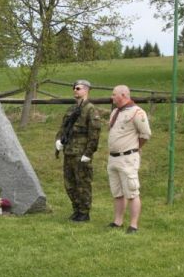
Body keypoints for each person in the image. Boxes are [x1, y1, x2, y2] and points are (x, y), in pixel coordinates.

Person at [107, 85, 152, 234]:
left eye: (114, 95)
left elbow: (145, 134)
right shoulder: (115, 112)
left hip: (127, 159)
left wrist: (135, 147)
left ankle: (133, 225)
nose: (112, 97)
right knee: (117, 192)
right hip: (113, 158)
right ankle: (117, 221)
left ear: (124, 95)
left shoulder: (137, 112)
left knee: (132, 192)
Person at [55, 80, 101, 222]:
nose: (75, 90)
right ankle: (76, 209)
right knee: (69, 183)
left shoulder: (90, 109)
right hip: (69, 151)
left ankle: (84, 212)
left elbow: (95, 133)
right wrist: (58, 140)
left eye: (78, 88)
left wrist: (88, 153)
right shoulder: (71, 109)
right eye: (74, 88)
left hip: (81, 153)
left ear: (86, 90)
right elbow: (63, 127)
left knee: (83, 183)